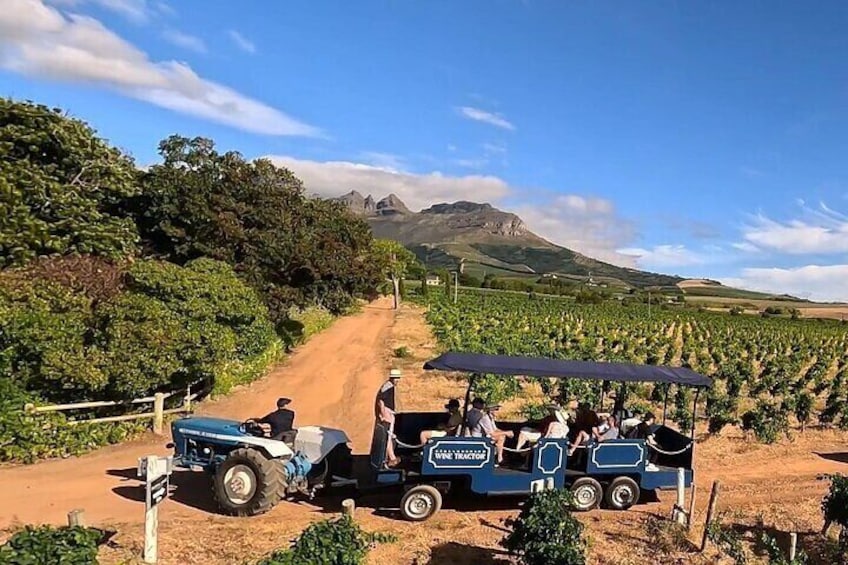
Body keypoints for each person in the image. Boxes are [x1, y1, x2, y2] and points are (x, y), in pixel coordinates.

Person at [375, 369, 402, 467]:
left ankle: (389, 457)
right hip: (387, 413)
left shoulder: (389, 386)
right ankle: (391, 458)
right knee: (388, 436)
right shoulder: (388, 386)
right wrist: (383, 414)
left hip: (389, 412)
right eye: (396, 378)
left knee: (389, 436)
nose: (398, 380)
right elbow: (381, 401)